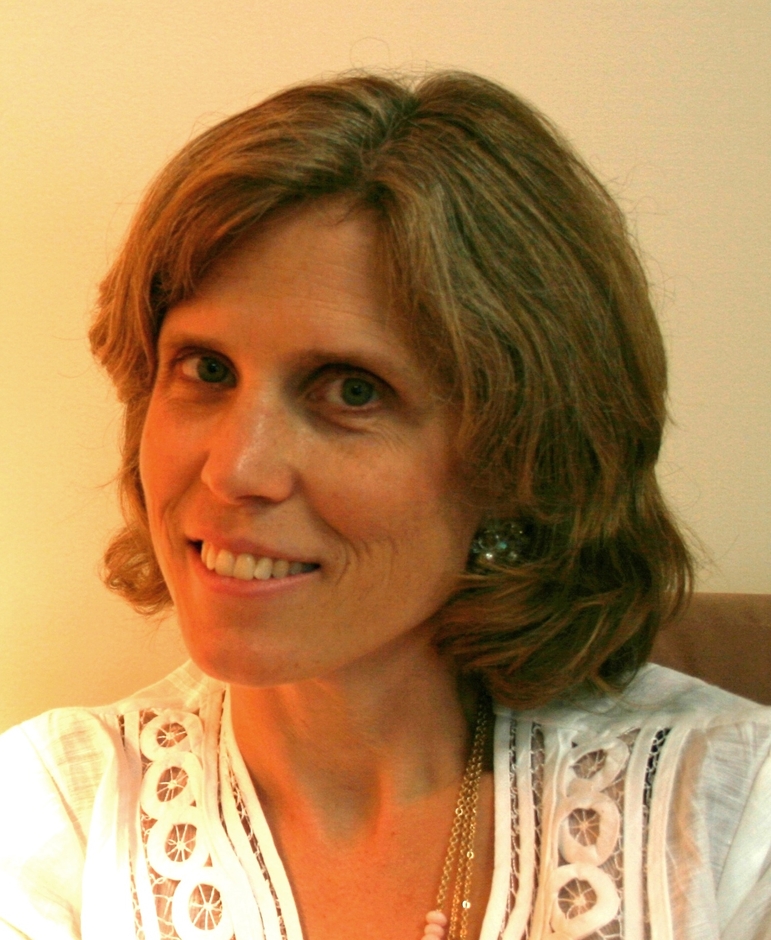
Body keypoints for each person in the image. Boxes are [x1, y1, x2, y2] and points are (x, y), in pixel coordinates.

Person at [0, 70, 769, 940]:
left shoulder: (732, 821)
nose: (236, 469)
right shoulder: (46, 824)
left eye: (351, 390)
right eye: (206, 370)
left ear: (519, 459)